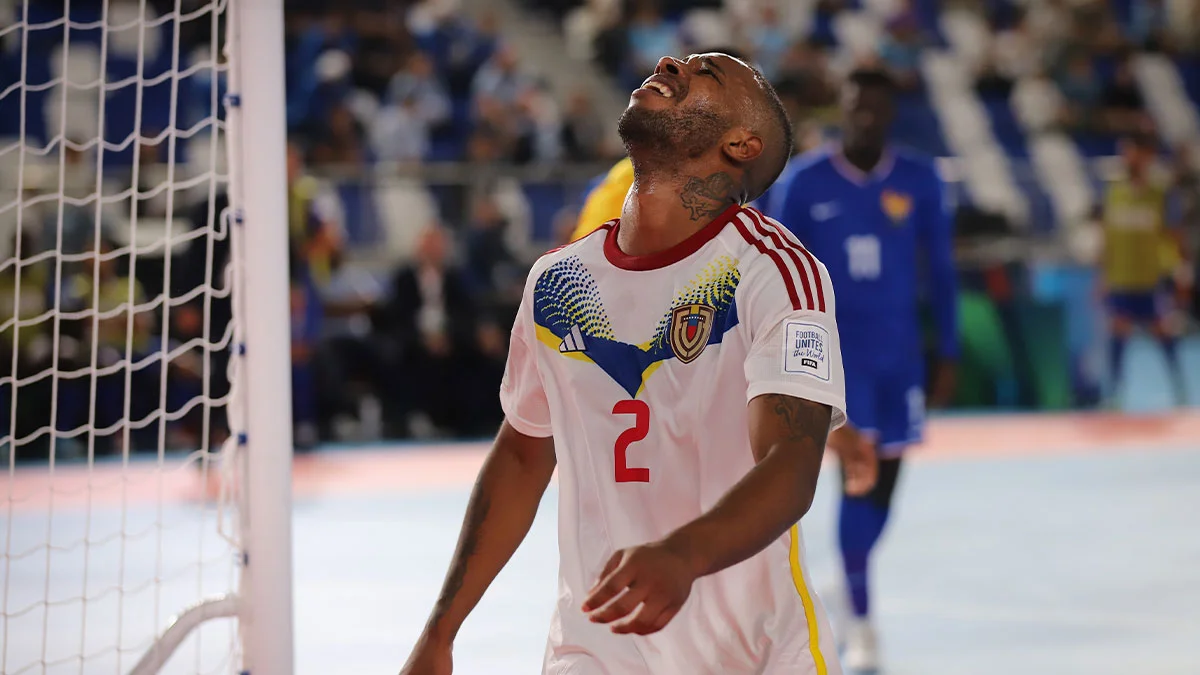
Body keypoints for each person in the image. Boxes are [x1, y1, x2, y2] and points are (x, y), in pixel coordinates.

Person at [400, 52, 876, 675]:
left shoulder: (775, 272)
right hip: (595, 651)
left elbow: (791, 462)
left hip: (754, 653)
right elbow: (521, 454)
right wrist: (441, 631)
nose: (673, 63)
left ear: (740, 143)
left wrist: (682, 554)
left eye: (708, 74)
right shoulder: (557, 280)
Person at [766, 67, 959, 670]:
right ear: (841, 110)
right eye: (857, 106)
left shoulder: (921, 181)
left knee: (886, 486)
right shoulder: (803, 184)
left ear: (891, 113)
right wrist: (788, 363)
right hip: (835, 365)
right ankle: (860, 618)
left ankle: (848, 581)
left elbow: (943, 272)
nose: (866, 116)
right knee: (858, 475)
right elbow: (776, 281)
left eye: (877, 106)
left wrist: (946, 349)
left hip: (900, 360)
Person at [1100, 130, 1188, 405]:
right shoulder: (1114, 189)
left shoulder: (1160, 193)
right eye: (1125, 150)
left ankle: (1179, 389)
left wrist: (1181, 271)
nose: (1129, 156)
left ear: (1147, 155)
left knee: (1162, 331)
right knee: (1118, 330)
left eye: (1134, 150)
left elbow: (1174, 235)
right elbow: (1108, 235)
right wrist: (1102, 275)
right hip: (1121, 277)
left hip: (1150, 278)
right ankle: (1114, 394)